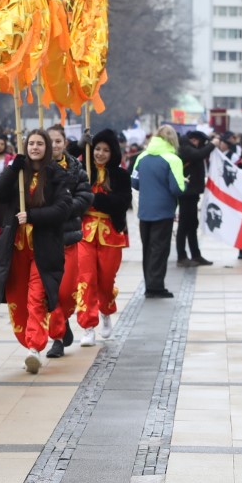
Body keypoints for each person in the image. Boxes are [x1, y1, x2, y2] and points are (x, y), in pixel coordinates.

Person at [0, 129, 72, 374]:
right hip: (15, 249)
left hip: (43, 249)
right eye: (31, 143)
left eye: (39, 143)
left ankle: (34, 348)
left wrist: (33, 215)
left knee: (37, 297)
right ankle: (28, 341)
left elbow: (63, 209)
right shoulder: (18, 172)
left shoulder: (57, 175)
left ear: (47, 147)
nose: (35, 147)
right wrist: (14, 169)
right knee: (17, 300)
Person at [78, 129, 131, 343]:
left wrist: (96, 199)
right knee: (86, 279)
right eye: (97, 149)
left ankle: (106, 310)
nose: (100, 153)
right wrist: (82, 144)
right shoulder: (83, 170)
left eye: (105, 150)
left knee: (106, 280)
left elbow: (122, 202)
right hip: (84, 233)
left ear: (113, 153)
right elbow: (64, 159)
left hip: (111, 233)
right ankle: (88, 326)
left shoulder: (120, 175)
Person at [45, 125, 93, 359]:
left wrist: (63, 209)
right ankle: (56, 337)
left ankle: (63, 320)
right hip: (44, 240)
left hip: (69, 238)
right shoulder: (36, 169)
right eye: (49, 141)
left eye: (58, 141)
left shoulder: (76, 168)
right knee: (50, 292)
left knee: (66, 291)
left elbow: (85, 196)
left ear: (65, 143)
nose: (54, 145)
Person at [130, 125, 184, 298]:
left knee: (147, 248)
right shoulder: (173, 159)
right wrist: (185, 183)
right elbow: (177, 188)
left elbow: (135, 183)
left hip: (144, 210)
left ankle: (149, 284)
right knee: (160, 249)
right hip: (164, 211)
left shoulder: (141, 157)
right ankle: (156, 287)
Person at [175, 131, 215, 268]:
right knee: (184, 225)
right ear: (192, 139)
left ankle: (196, 255)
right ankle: (181, 256)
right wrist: (213, 144)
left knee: (192, 225)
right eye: (197, 141)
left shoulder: (190, 147)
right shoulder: (185, 148)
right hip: (186, 193)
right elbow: (199, 154)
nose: (198, 145)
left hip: (192, 193)